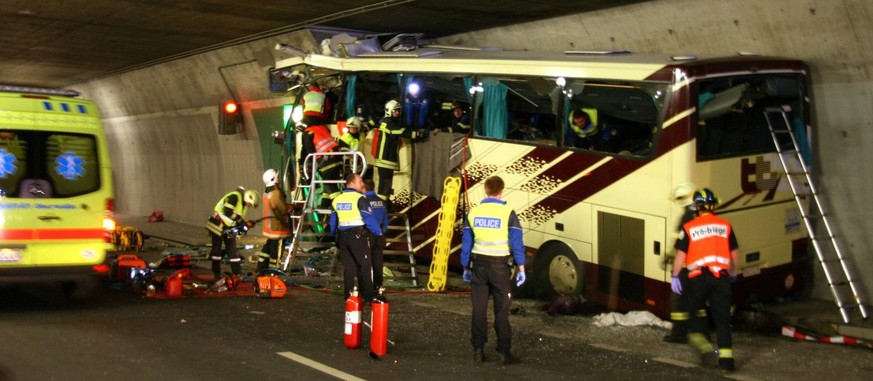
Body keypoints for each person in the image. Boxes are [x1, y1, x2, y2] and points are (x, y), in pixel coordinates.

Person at [460, 176, 526, 365]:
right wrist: (521, 268)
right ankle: (504, 353)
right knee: (501, 311)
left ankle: (478, 350)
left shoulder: (473, 213)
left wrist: (465, 266)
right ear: (501, 190)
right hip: (499, 268)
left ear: (486, 190)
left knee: (479, 310)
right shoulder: (508, 213)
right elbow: (516, 243)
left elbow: (467, 244)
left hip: (478, 266)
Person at [672, 188, 739, 372]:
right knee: (723, 321)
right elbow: (734, 254)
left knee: (693, 314)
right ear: (714, 206)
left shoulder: (690, 227)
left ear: (697, 207)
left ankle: (706, 350)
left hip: (698, 279)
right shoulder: (725, 225)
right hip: (721, 278)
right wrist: (733, 273)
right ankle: (726, 362)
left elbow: (680, 255)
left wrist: (675, 276)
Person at [664, 182, 708, 344]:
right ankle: (702, 333)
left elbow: (680, 242)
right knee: (699, 303)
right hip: (701, 267)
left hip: (685, 268)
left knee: (678, 303)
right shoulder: (701, 212)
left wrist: (669, 258)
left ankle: (679, 334)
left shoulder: (687, 216)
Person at [328, 173, 383, 302]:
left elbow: (333, 222)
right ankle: (368, 296)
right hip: (358, 237)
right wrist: (378, 233)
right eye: (359, 182)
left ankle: (349, 296)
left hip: (342, 237)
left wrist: (334, 235)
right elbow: (368, 218)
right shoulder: (360, 199)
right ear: (352, 183)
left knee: (349, 268)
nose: (362, 184)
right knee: (365, 265)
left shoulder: (337, 199)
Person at [372, 99, 426, 201]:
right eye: (395, 111)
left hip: (386, 160)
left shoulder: (389, 122)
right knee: (384, 186)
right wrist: (418, 134)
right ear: (389, 111)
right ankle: (382, 207)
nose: (397, 113)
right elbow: (400, 131)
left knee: (386, 186)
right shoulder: (388, 123)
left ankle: (385, 204)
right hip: (385, 160)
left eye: (398, 110)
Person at [205, 187, 259, 279]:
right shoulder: (235, 197)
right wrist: (240, 221)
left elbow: (235, 218)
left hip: (228, 227)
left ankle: (237, 272)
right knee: (216, 250)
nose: (249, 206)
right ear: (247, 198)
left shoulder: (244, 206)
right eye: (250, 204)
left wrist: (242, 225)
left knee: (232, 250)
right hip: (218, 223)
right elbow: (226, 211)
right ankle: (216, 273)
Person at [299, 89, 341, 204]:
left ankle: (339, 207)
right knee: (328, 191)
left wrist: (308, 170)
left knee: (330, 188)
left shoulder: (308, 132)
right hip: (337, 159)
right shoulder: (322, 128)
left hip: (326, 162)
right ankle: (325, 207)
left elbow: (310, 152)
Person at [258, 169, 291, 272]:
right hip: (278, 227)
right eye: (277, 177)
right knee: (277, 250)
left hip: (269, 227)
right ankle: (275, 270)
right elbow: (283, 209)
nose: (279, 179)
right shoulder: (276, 193)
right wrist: (292, 207)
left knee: (269, 246)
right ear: (274, 179)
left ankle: (262, 266)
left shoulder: (266, 192)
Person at [362, 178, 389, 290]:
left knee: (365, 261)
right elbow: (386, 220)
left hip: (368, 233)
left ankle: (367, 287)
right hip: (380, 234)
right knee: (378, 261)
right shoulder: (381, 201)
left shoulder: (364, 201)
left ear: (364, 188)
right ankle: (378, 285)